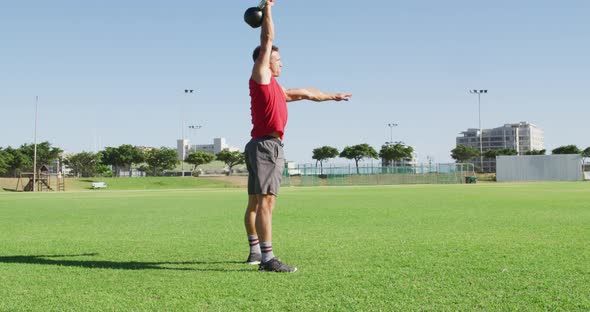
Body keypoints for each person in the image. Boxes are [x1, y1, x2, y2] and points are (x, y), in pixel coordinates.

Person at [244, 0, 352, 273]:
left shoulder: (277, 90)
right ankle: (267, 259)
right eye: (278, 60)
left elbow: (305, 93)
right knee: (265, 202)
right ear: (266, 61)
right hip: (265, 146)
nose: (281, 64)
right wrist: (268, 9)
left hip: (267, 146)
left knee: (259, 202)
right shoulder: (261, 76)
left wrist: (331, 97)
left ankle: (256, 253)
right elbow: (267, 37)